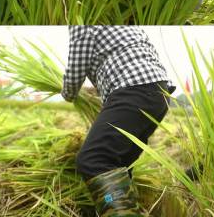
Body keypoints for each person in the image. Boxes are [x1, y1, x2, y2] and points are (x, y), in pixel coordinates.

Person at [62, 26, 174, 217]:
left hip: (133, 90)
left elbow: (75, 71)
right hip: (157, 93)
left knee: (93, 160)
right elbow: (122, 58)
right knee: (118, 164)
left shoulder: (83, 21)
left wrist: (67, 92)